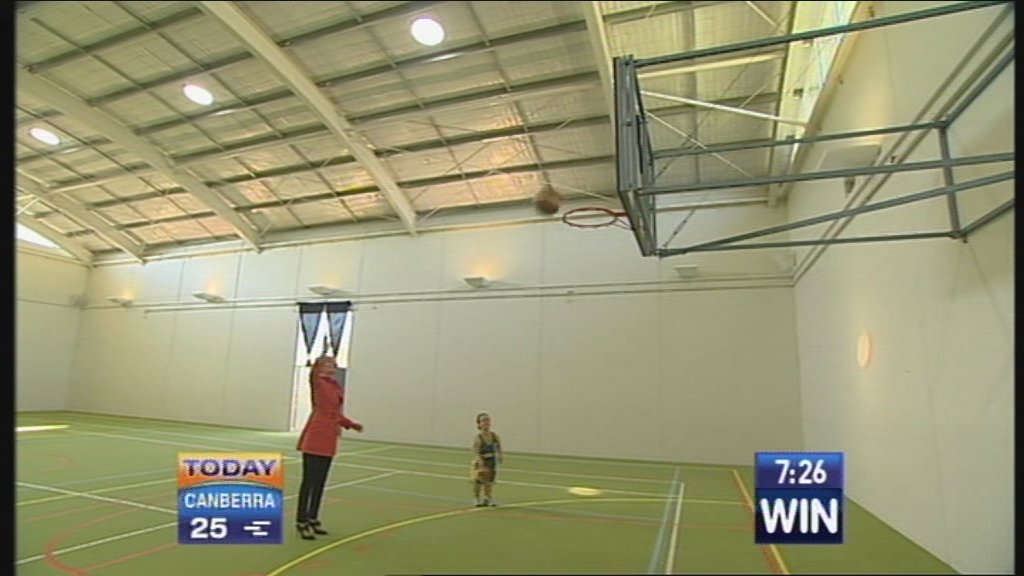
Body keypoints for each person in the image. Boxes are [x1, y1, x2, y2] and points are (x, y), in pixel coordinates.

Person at [295, 354, 363, 540]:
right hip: (315, 435)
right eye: (328, 363)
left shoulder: (334, 385)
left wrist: (351, 424)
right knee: (309, 481)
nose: (332, 365)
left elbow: (335, 413)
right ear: (319, 367)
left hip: (329, 437)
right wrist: (315, 361)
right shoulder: (318, 382)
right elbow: (313, 377)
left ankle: (313, 518)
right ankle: (301, 521)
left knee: (320, 482)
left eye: (333, 363)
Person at [471, 412, 502, 507]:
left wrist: (500, 455)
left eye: (488, 420)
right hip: (481, 461)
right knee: (478, 480)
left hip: (491, 460)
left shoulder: (494, 436)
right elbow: (475, 451)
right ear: (479, 424)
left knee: (490, 481)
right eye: (483, 421)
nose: (486, 422)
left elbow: (498, 446)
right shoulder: (478, 437)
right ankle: (476, 498)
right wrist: (479, 461)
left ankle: (487, 498)